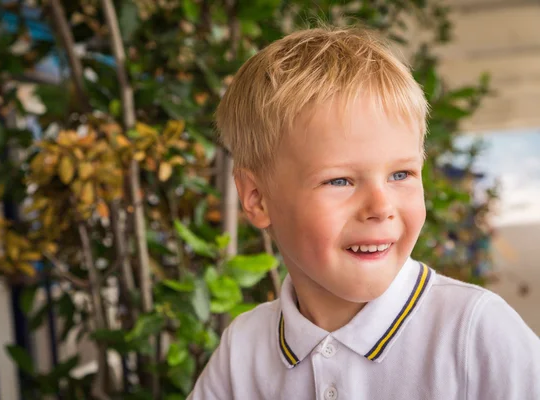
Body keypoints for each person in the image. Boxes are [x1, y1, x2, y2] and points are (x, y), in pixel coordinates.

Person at [188, 26, 540, 400]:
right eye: (339, 181)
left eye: (400, 174)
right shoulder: (242, 354)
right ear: (257, 198)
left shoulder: (474, 332)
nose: (381, 207)